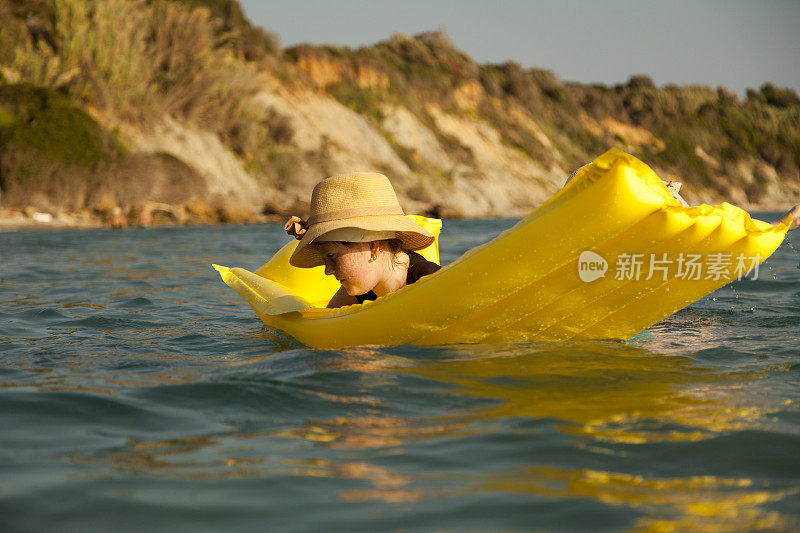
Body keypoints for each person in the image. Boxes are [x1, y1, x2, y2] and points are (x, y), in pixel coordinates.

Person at [284, 172, 441, 308]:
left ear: (373, 247)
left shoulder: (431, 281)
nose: (328, 271)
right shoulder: (362, 285)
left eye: (332, 256)